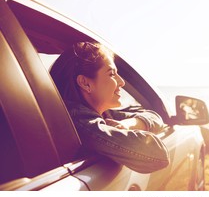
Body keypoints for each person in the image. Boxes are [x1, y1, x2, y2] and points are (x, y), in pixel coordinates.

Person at [50, 41, 169, 173]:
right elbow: (158, 155)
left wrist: (128, 124)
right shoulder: (80, 122)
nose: (122, 82)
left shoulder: (104, 114)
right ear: (85, 83)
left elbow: (155, 117)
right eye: (112, 74)